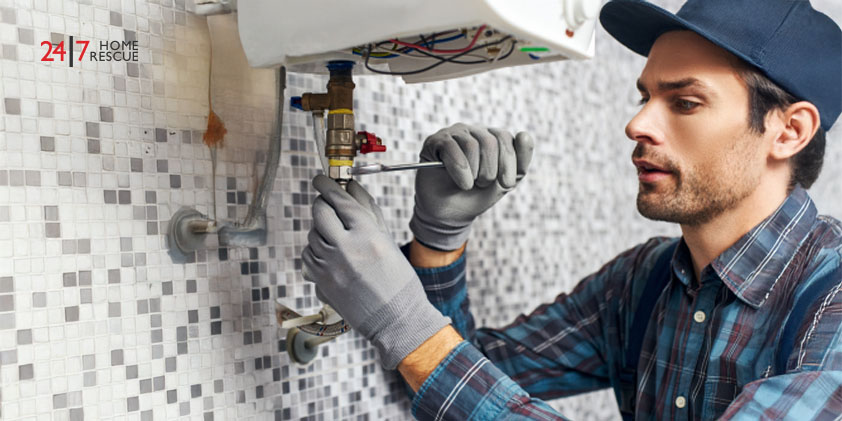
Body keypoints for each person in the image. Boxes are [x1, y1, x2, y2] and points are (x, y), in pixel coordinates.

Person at [300, 0, 842, 418]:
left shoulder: (833, 305)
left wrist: (406, 322)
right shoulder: (644, 283)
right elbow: (446, 374)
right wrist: (439, 237)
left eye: (684, 102)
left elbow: (427, 351)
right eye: (645, 97)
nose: (638, 125)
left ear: (789, 131)